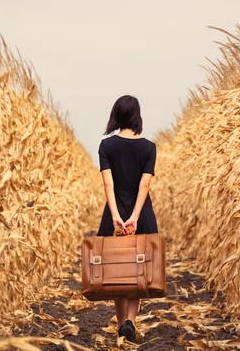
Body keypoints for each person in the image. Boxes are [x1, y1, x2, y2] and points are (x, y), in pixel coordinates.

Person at [96, 95, 158, 343]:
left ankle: (121, 323)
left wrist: (116, 216)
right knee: (138, 268)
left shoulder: (106, 146)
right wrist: (134, 217)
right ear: (136, 116)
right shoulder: (149, 147)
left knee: (116, 268)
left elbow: (108, 184)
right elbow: (144, 185)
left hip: (115, 212)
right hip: (140, 213)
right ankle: (131, 320)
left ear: (117, 115)